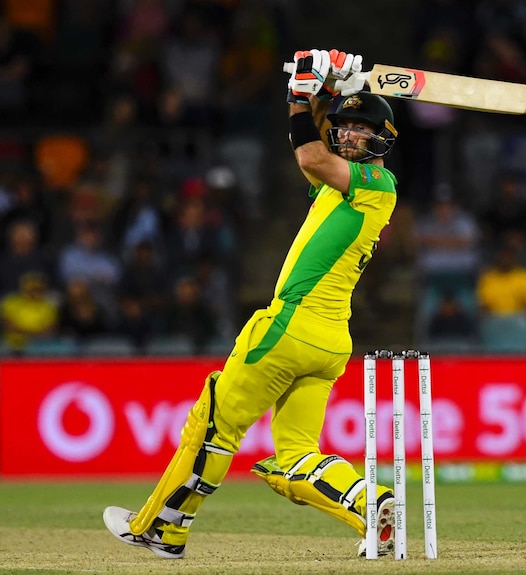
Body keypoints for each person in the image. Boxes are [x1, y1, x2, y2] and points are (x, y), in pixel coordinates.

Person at [103, 48, 400, 559]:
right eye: (344, 126)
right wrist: (330, 84)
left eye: (360, 129)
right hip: (329, 343)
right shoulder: (339, 186)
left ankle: (160, 528)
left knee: (215, 423)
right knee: (295, 459)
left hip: (289, 326)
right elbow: (314, 145)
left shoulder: (377, 185)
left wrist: (297, 92)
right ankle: (371, 507)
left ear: (382, 141)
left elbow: (309, 153)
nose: (348, 133)